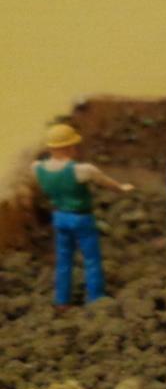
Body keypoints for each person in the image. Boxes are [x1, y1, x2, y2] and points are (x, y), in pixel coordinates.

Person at [34, 123, 133, 308]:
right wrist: (122, 188)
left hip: (59, 217)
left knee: (63, 260)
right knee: (91, 259)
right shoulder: (82, 170)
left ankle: (62, 300)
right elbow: (108, 183)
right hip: (81, 218)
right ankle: (95, 298)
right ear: (68, 147)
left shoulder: (38, 168)